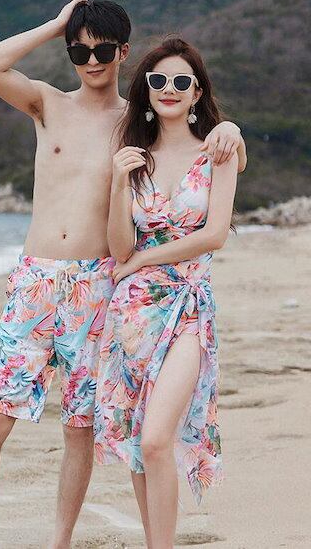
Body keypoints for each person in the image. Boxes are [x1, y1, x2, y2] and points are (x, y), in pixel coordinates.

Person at [0, 0, 246, 549]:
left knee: (79, 428)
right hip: (36, 281)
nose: (91, 60)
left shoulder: (136, 128)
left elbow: (194, 141)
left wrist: (228, 126)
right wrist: (56, 25)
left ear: (123, 53)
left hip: (100, 285)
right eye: (79, 51)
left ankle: (60, 542)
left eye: (103, 50)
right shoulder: (47, 104)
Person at [94, 35, 240, 548]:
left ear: (197, 91)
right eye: (159, 80)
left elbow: (214, 235)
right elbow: (119, 247)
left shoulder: (218, 148)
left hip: (188, 308)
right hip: (132, 313)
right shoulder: (133, 158)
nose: (169, 88)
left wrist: (143, 259)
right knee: (139, 443)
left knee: (156, 438)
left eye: (182, 81)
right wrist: (118, 184)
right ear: (147, 89)